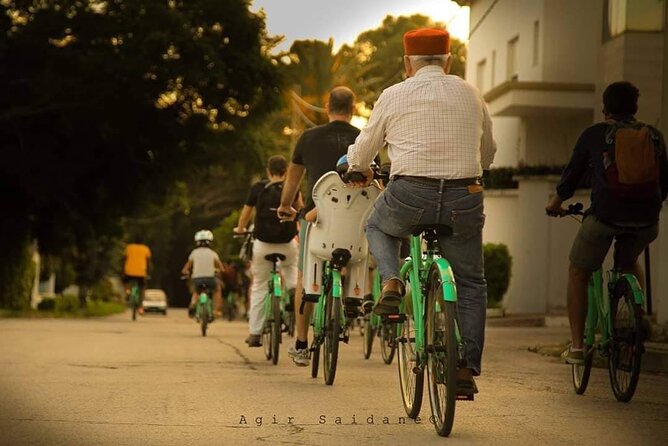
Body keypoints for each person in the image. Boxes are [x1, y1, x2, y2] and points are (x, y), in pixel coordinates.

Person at [346, 28, 497, 396]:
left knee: (377, 227)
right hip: (465, 195)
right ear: (448, 61)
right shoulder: (471, 93)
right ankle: (466, 366)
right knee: (472, 282)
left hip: (410, 193)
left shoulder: (393, 94)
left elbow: (363, 153)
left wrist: (357, 166)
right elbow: (489, 151)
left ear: (406, 64)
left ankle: (392, 281)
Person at [545, 81, 668, 364]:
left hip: (604, 219)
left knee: (579, 271)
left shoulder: (594, 135)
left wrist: (555, 205)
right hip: (647, 222)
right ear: (635, 108)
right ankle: (634, 322)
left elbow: (571, 179)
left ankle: (577, 348)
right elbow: (665, 182)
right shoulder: (655, 136)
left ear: (605, 109)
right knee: (628, 261)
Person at [277, 86, 362, 366]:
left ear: (327, 106)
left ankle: (301, 343)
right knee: (356, 253)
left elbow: (292, 180)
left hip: (317, 220)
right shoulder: (364, 139)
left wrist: (286, 206)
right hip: (354, 229)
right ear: (354, 107)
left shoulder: (308, 137)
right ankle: (354, 298)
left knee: (305, 276)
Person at [235, 155, 301, 347]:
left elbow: (246, 214)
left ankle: (255, 333)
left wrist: (240, 229)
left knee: (259, 287)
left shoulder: (258, 188)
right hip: (287, 243)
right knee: (291, 267)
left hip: (262, 244)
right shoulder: (293, 187)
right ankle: (291, 289)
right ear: (286, 171)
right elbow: (300, 211)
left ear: (268, 171)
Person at [181, 230, 225, 318]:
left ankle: (193, 304)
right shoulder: (213, 253)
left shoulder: (194, 253)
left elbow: (186, 268)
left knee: (196, 291)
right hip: (210, 279)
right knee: (217, 289)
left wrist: (186, 272)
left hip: (197, 279)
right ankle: (216, 310)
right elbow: (221, 268)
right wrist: (218, 271)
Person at [122, 241, 152, 315]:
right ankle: (141, 308)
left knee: (125, 281)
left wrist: (123, 270)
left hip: (129, 271)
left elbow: (124, 259)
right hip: (141, 272)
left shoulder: (129, 247)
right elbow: (148, 261)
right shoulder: (145, 248)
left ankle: (127, 292)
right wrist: (148, 272)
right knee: (142, 287)